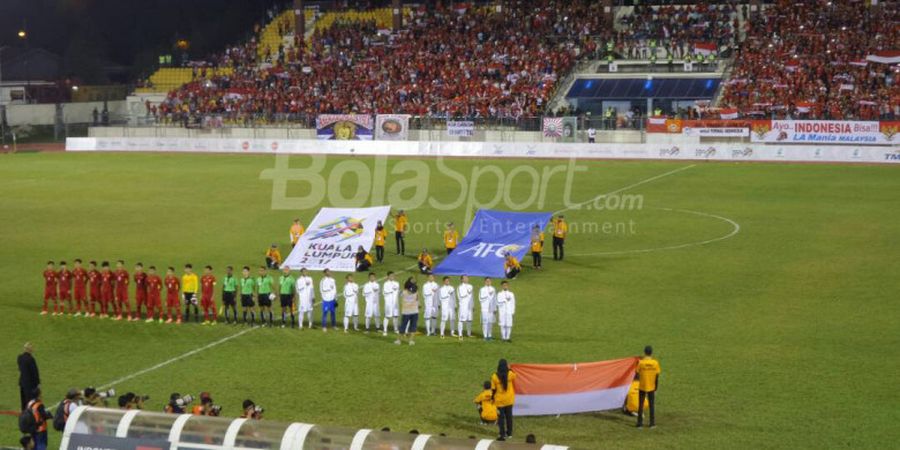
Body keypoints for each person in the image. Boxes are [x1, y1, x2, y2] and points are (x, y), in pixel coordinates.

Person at [636, 345, 661, 428]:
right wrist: (656, 387)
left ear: (644, 352)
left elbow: (637, 373)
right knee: (651, 405)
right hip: (651, 386)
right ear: (651, 353)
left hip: (642, 386)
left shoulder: (641, 362)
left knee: (640, 404)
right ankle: (652, 423)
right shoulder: (655, 363)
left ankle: (639, 424)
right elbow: (657, 376)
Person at [492, 359, 517, 441]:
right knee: (509, 417)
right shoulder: (510, 374)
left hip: (499, 401)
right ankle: (509, 433)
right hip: (509, 399)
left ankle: (502, 434)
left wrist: (492, 399)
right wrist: (509, 368)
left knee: (501, 418)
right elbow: (515, 375)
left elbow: (493, 389)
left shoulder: (494, 376)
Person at [396, 277, 419, 345]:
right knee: (413, 326)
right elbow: (417, 299)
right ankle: (411, 341)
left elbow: (399, 293)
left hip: (406, 312)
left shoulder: (403, 292)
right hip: (415, 311)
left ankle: (399, 340)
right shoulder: (416, 292)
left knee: (403, 326)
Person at [18, 343, 40, 410]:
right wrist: (38, 383)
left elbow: (20, 369)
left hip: (22, 383)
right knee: (30, 401)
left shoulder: (20, 358)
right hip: (30, 385)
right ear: (29, 350)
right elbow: (35, 372)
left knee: (23, 401)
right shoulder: (31, 359)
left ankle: (23, 414)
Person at [382, 271, 400, 335]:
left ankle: (396, 329)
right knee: (387, 316)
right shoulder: (386, 284)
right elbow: (385, 292)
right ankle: (385, 330)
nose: (392, 277)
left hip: (395, 302)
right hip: (388, 303)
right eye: (391, 275)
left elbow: (398, 292)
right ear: (388, 276)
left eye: (393, 275)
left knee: (395, 316)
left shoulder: (397, 283)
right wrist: (392, 289)